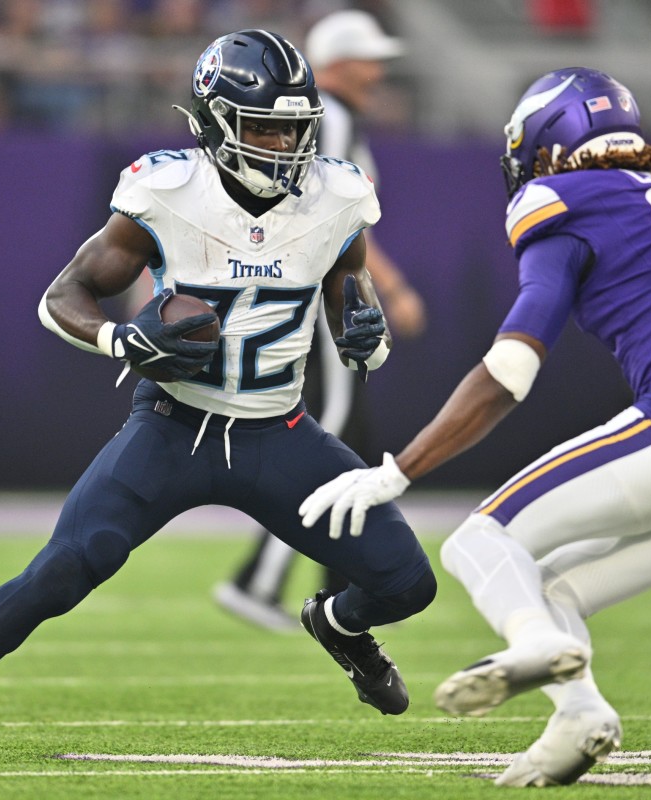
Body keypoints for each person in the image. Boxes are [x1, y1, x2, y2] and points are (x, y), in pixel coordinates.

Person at [0, 29, 436, 764]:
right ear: (216, 123)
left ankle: (339, 624)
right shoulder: (165, 191)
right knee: (61, 570)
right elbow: (67, 292)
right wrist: (118, 341)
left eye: (295, 126)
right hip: (171, 427)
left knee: (408, 583)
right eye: (265, 126)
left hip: (279, 432)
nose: (285, 145)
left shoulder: (337, 195)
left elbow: (350, 283)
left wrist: (364, 333)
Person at [300, 67, 651, 786]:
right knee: (553, 584)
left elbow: (510, 371)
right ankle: (582, 717)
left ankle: (530, 646)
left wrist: (398, 470)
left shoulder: (560, 199)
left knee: (480, 541)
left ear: (552, 147)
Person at [213, 9, 428, 631]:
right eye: (368, 58)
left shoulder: (336, 117)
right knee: (327, 430)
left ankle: (347, 584)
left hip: (305, 284)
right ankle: (259, 579)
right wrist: (384, 287)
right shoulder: (324, 118)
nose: (377, 71)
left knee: (350, 444)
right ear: (334, 63)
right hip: (315, 291)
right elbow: (327, 215)